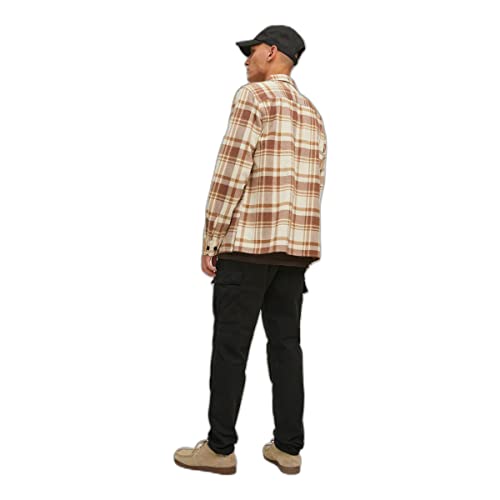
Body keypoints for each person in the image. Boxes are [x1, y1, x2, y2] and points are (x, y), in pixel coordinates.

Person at [174, 25, 327, 475]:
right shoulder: (313, 113)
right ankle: (288, 448)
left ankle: (220, 449)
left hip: (247, 249)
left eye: (252, 51)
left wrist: (211, 238)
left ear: (272, 52)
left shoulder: (253, 98)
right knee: (286, 347)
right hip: (294, 253)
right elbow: (316, 184)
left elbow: (231, 171)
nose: (246, 59)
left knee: (230, 349)